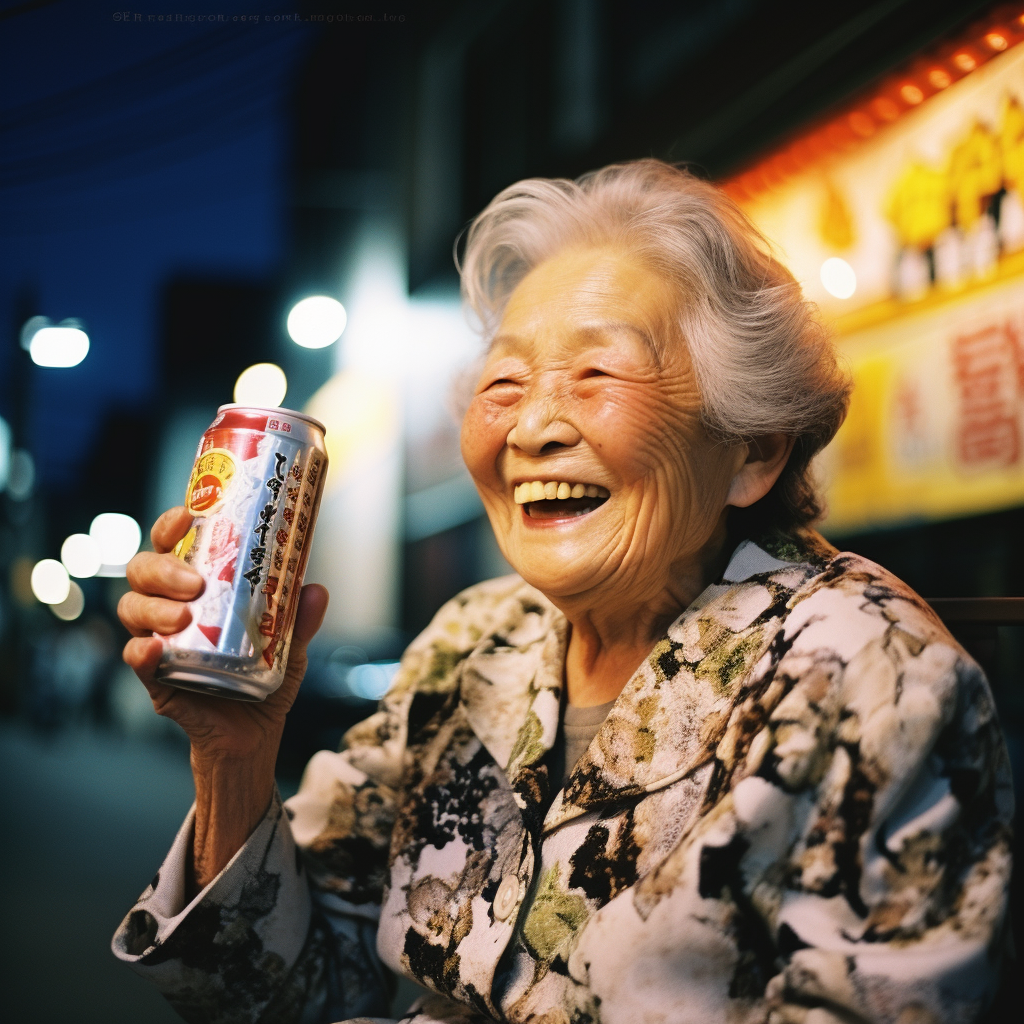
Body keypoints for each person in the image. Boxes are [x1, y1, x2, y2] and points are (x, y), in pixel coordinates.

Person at [113, 160, 1013, 1024]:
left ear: (753, 449)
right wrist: (233, 753)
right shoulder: (473, 642)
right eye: (504, 382)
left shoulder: (875, 672)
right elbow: (281, 996)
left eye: (597, 374)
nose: (535, 425)